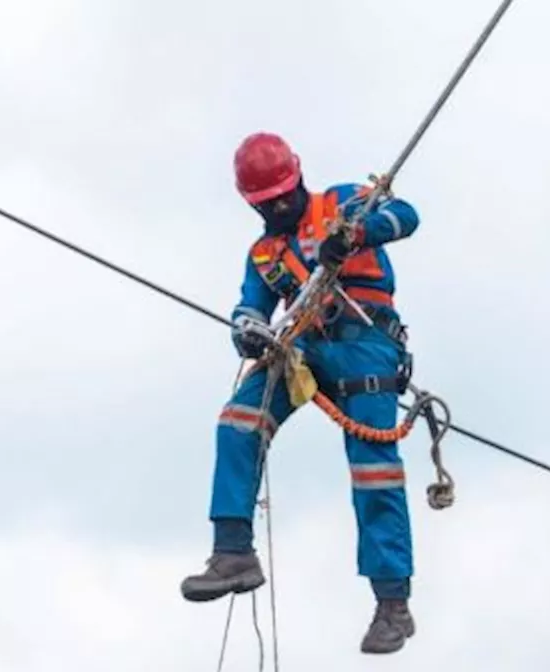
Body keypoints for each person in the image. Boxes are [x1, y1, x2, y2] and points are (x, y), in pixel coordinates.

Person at [180, 132, 421, 654]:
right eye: (270, 203)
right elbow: (249, 307)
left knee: (373, 468)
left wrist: (358, 234)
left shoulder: (341, 203)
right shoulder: (265, 255)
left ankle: (392, 603)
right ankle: (233, 552)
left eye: (287, 195)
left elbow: (407, 215)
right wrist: (245, 330)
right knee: (237, 421)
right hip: (300, 349)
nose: (282, 206)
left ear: (299, 177)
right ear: (254, 204)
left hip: (365, 342)